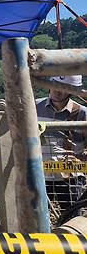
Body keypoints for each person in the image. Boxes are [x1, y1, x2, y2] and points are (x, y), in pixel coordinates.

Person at [36, 75, 87, 217]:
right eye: (55, 85)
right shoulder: (34, 108)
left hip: (70, 176)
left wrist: (79, 155)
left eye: (62, 88)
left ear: (71, 91)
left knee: (72, 218)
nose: (57, 91)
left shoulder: (81, 112)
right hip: (41, 174)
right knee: (38, 219)